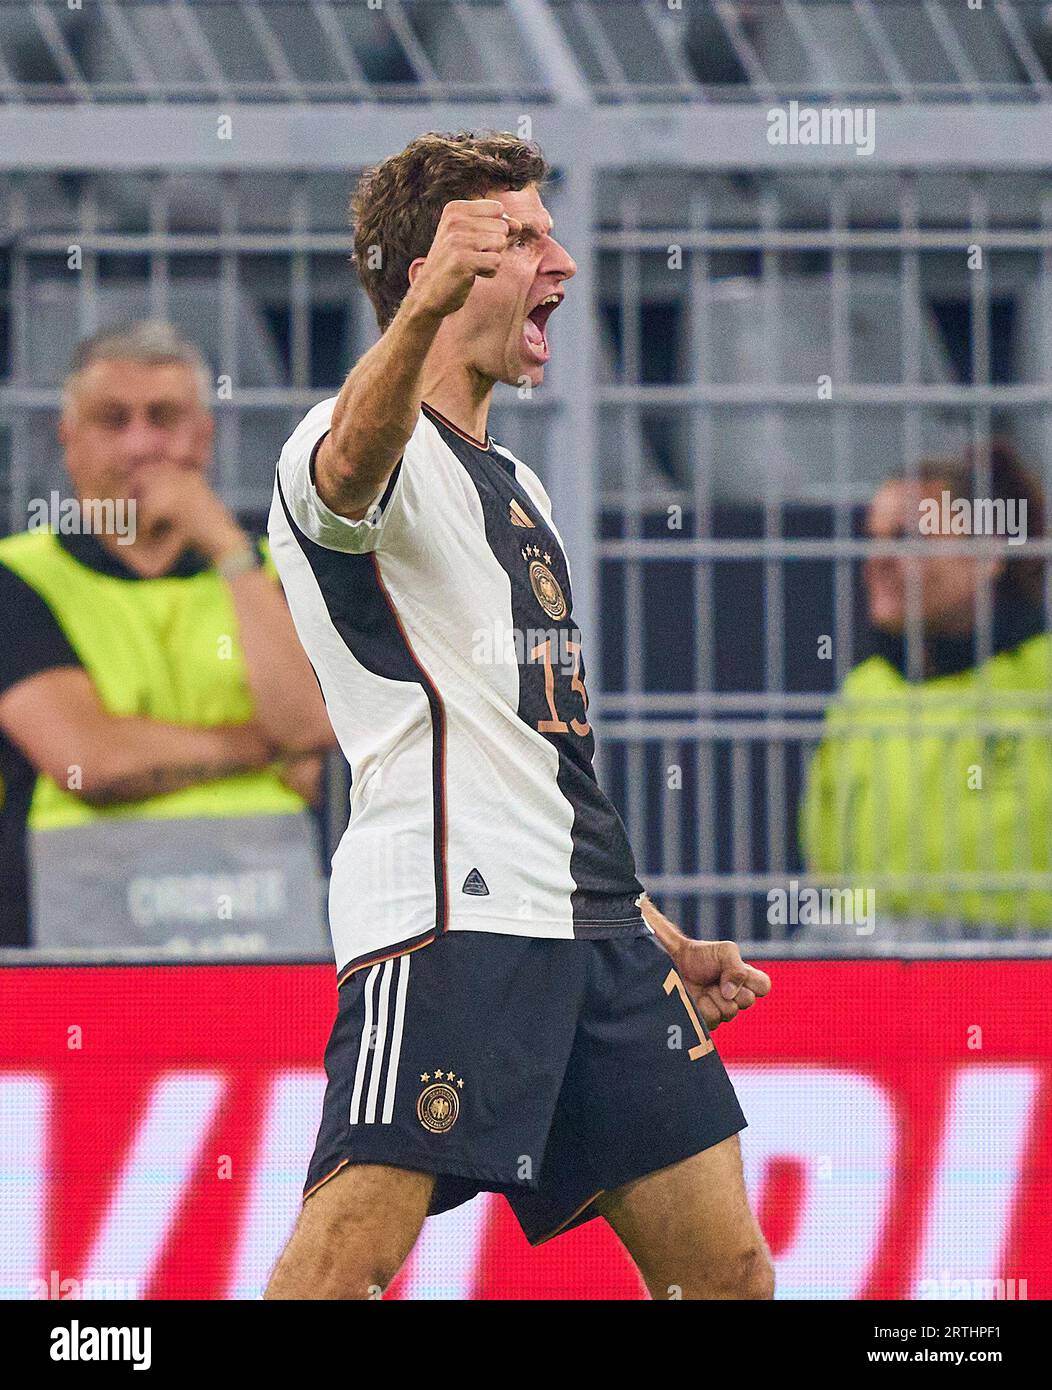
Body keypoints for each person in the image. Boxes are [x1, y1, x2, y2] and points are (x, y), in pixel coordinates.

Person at [265, 131, 773, 1301]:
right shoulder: (337, 443)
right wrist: (421, 306)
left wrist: (653, 934)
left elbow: (531, 750)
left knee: (728, 1273)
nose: (564, 261)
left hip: (590, 930)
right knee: (347, 1261)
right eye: (523, 237)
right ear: (435, 264)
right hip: (451, 909)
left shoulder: (520, 484)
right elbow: (349, 473)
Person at [0, 321, 336, 950]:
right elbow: (88, 762)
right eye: (112, 420)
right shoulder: (18, 578)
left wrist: (230, 553)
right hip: (75, 942)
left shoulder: (270, 572)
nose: (141, 446)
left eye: (164, 418)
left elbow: (310, 727)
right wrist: (260, 747)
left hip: (260, 934)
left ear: (203, 439)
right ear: (68, 441)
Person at [801, 441, 1052, 931]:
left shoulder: (1042, 678)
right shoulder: (864, 691)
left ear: (987, 554)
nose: (878, 560)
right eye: (872, 539)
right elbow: (824, 856)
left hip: (1023, 970)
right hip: (873, 969)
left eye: (906, 538)